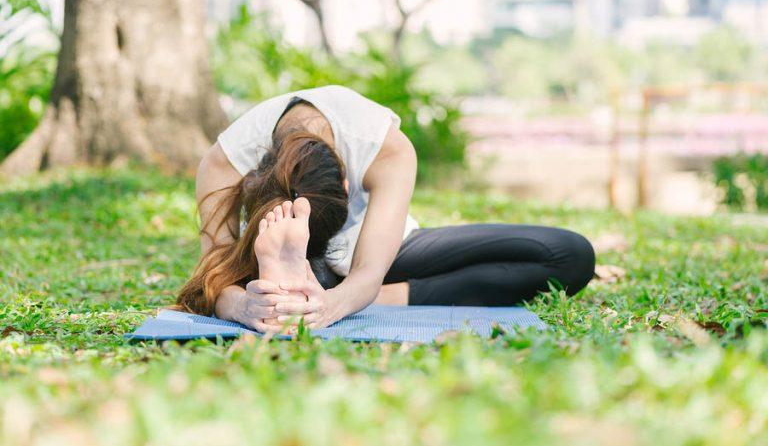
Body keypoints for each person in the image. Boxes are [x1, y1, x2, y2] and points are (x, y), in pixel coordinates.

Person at [176, 85, 595, 333]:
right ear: (254, 183)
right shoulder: (225, 162)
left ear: (346, 182)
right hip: (262, 270)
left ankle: (346, 294)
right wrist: (243, 306)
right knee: (226, 282)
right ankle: (288, 272)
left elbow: (368, 271)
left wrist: (335, 303)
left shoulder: (383, 146)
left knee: (570, 255)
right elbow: (212, 276)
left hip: (376, 254)